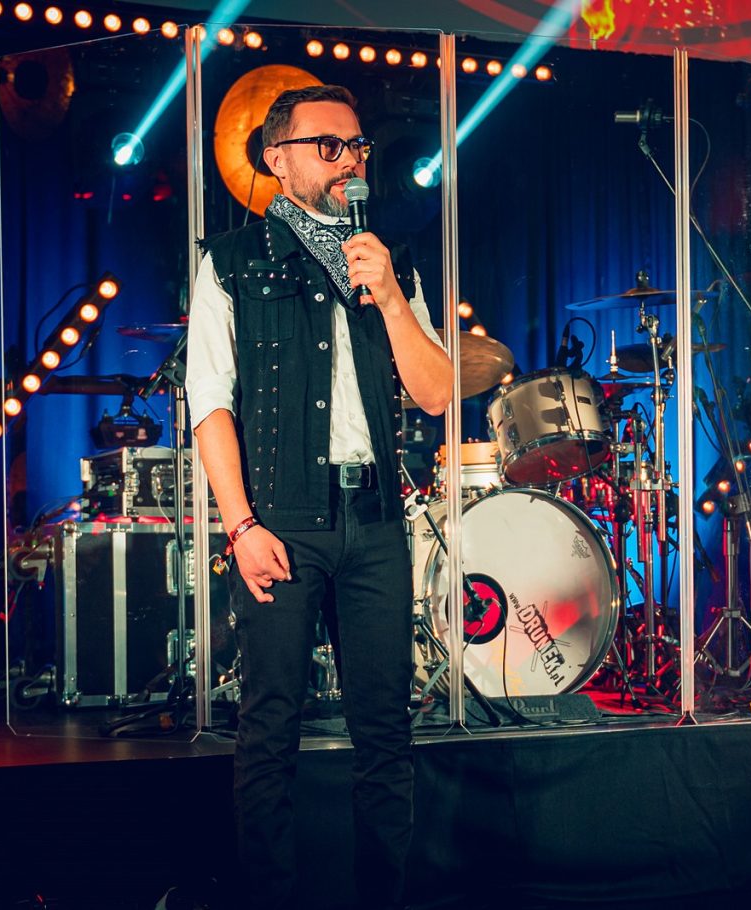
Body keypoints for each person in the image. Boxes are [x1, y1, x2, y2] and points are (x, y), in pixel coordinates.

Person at [185, 83, 452, 910]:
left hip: (372, 521)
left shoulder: (387, 260)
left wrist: (393, 297)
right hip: (281, 523)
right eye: (328, 146)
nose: (349, 161)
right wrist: (241, 526)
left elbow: (438, 392)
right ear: (278, 159)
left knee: (386, 731)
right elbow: (209, 403)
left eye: (357, 145)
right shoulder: (231, 261)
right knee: (270, 727)